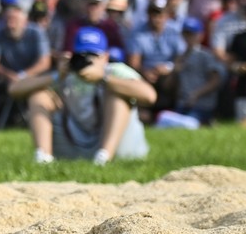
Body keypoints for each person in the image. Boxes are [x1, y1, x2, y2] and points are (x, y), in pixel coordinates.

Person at [10, 27, 154, 165]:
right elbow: (14, 89)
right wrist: (56, 76)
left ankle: (104, 158)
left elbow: (150, 96)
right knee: (39, 95)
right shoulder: (68, 73)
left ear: (105, 57)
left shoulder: (115, 71)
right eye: (82, 55)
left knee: (117, 94)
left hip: (119, 145)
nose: (87, 61)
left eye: (93, 55)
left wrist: (103, 78)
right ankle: (44, 158)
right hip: (74, 140)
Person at [0, 1, 51, 131]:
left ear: (24, 22)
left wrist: (23, 75)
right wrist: (9, 75)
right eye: (8, 20)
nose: (10, 24)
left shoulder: (36, 33)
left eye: (15, 20)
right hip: (6, 77)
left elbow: (44, 63)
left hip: (32, 77)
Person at [167, 19, 223, 125]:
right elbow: (169, 86)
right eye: (186, 34)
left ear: (200, 35)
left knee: (188, 124)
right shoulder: (180, 57)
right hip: (182, 104)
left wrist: (197, 94)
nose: (189, 37)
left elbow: (216, 80)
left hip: (202, 105)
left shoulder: (206, 55)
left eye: (192, 34)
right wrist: (174, 71)